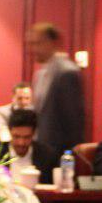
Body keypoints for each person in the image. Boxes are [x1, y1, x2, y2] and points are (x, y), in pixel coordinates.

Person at [27, 23, 85, 152]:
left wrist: (71, 155)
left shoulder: (67, 72)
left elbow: (74, 121)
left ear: (52, 43)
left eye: (37, 43)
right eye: (31, 44)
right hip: (42, 147)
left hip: (60, 150)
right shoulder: (40, 73)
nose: (32, 49)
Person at [7, 108, 58, 183]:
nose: (21, 143)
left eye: (27, 137)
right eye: (16, 136)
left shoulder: (47, 156)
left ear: (33, 134)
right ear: (9, 132)